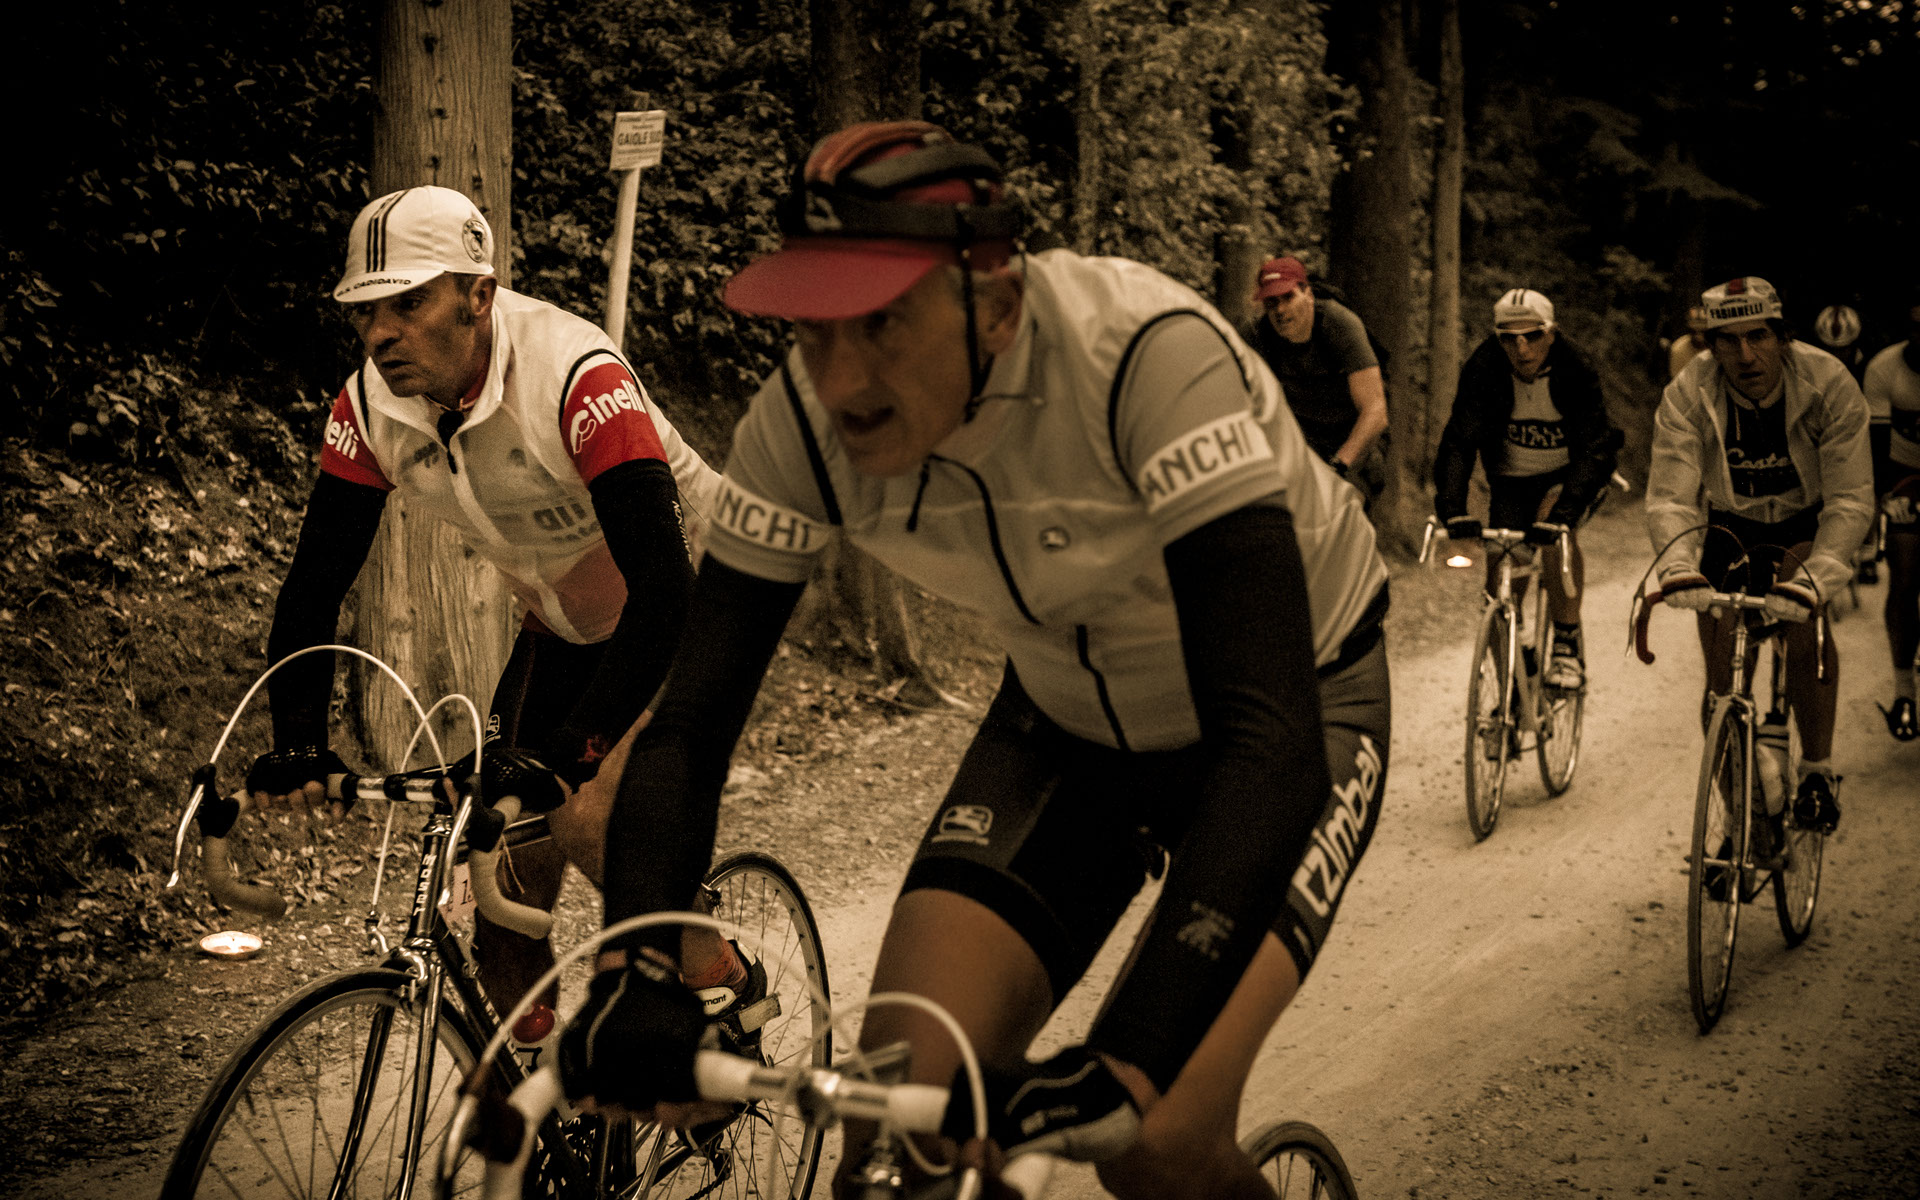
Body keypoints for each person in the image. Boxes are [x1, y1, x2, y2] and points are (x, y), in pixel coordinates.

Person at [560, 122, 1391, 1200]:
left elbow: (1272, 743)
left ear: (995, 303)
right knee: (903, 1137)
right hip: (1069, 725)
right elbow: (692, 724)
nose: (841, 375)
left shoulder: (1147, 358)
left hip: (1298, 706)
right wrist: (638, 964)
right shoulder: (801, 428)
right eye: (813, 329)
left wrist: (1125, 1061)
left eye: (882, 323)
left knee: (1155, 1143)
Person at [245, 185, 724, 1014]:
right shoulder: (368, 408)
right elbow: (314, 587)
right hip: (563, 621)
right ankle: (538, 1108)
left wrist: (574, 752)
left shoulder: (575, 375)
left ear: (479, 295)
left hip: (696, 599)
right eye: (364, 312)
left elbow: (665, 586)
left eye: (408, 302)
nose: (382, 333)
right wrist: (298, 743)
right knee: (496, 879)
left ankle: (721, 973)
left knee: (578, 811)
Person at [1647, 276, 1873, 834]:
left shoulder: (1828, 382)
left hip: (1809, 522)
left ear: (1782, 336)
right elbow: (1672, 496)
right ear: (1710, 345)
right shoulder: (1689, 391)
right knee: (1720, 683)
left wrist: (1818, 578)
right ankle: (1741, 817)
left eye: (1759, 337)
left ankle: (1817, 771)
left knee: (1804, 620)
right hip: (1733, 523)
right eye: (1728, 340)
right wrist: (1677, 568)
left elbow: (1850, 498)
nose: (1745, 355)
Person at [1433, 288, 1621, 690]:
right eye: (1508, 337)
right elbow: (1458, 443)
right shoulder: (1484, 367)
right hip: (1511, 482)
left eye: (1532, 335)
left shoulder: (1574, 367)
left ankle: (1566, 644)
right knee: (1501, 580)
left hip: (1568, 478)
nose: (1521, 347)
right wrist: (1452, 510)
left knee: (1553, 532)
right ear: (1497, 339)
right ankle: (1514, 690)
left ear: (1550, 333)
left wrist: (1566, 514)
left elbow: (1595, 447)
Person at [1239, 255, 1390, 509]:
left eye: (1288, 298)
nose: (1280, 311)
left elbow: (1375, 413)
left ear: (1307, 294)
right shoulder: (1256, 336)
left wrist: (1338, 466)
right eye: (1271, 302)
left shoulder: (1339, 324)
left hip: (1354, 443)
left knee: (1341, 516)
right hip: (1300, 445)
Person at [1861, 298, 1920, 740]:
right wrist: (1885, 496)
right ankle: (1904, 690)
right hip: (1903, 473)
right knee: (1904, 570)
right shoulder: (1884, 368)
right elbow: (1876, 444)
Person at [1667, 305, 1710, 382]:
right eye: (1694, 331)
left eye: (1703, 331)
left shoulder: (1719, 347)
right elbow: (1676, 383)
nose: (1699, 337)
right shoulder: (1678, 349)